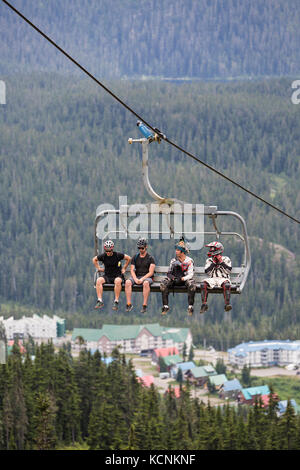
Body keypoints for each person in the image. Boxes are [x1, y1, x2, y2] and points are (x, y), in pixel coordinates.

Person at [160, 238, 196, 316]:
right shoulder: (173, 260)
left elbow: (191, 274)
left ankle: (190, 306)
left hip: (185, 279)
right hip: (175, 279)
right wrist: (173, 278)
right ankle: (165, 306)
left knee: (192, 285)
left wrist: (183, 278)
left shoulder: (189, 261)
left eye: (177, 250)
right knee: (163, 283)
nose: (176, 251)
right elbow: (169, 273)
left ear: (182, 252)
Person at [93, 239, 131, 310]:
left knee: (117, 281)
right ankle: (100, 300)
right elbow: (94, 259)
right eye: (106, 251)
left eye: (109, 251)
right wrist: (99, 268)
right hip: (107, 275)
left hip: (117, 275)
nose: (108, 252)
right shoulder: (103, 256)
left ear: (112, 249)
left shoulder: (117, 255)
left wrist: (124, 268)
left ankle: (116, 301)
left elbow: (128, 258)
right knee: (98, 281)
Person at [200, 241, 232, 314]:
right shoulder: (209, 260)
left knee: (227, 285)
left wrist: (221, 262)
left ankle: (227, 304)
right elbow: (207, 272)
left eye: (212, 249)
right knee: (203, 284)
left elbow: (228, 270)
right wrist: (214, 263)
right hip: (212, 279)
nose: (211, 250)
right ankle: (204, 304)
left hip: (223, 278)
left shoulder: (226, 259)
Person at [125, 238, 156, 313]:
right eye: (139, 248)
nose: (141, 249)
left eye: (142, 248)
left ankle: (144, 305)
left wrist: (142, 279)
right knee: (128, 282)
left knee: (145, 283)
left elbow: (151, 272)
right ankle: (129, 304)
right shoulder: (135, 257)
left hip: (147, 277)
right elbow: (132, 270)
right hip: (137, 276)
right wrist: (135, 279)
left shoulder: (150, 258)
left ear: (146, 247)